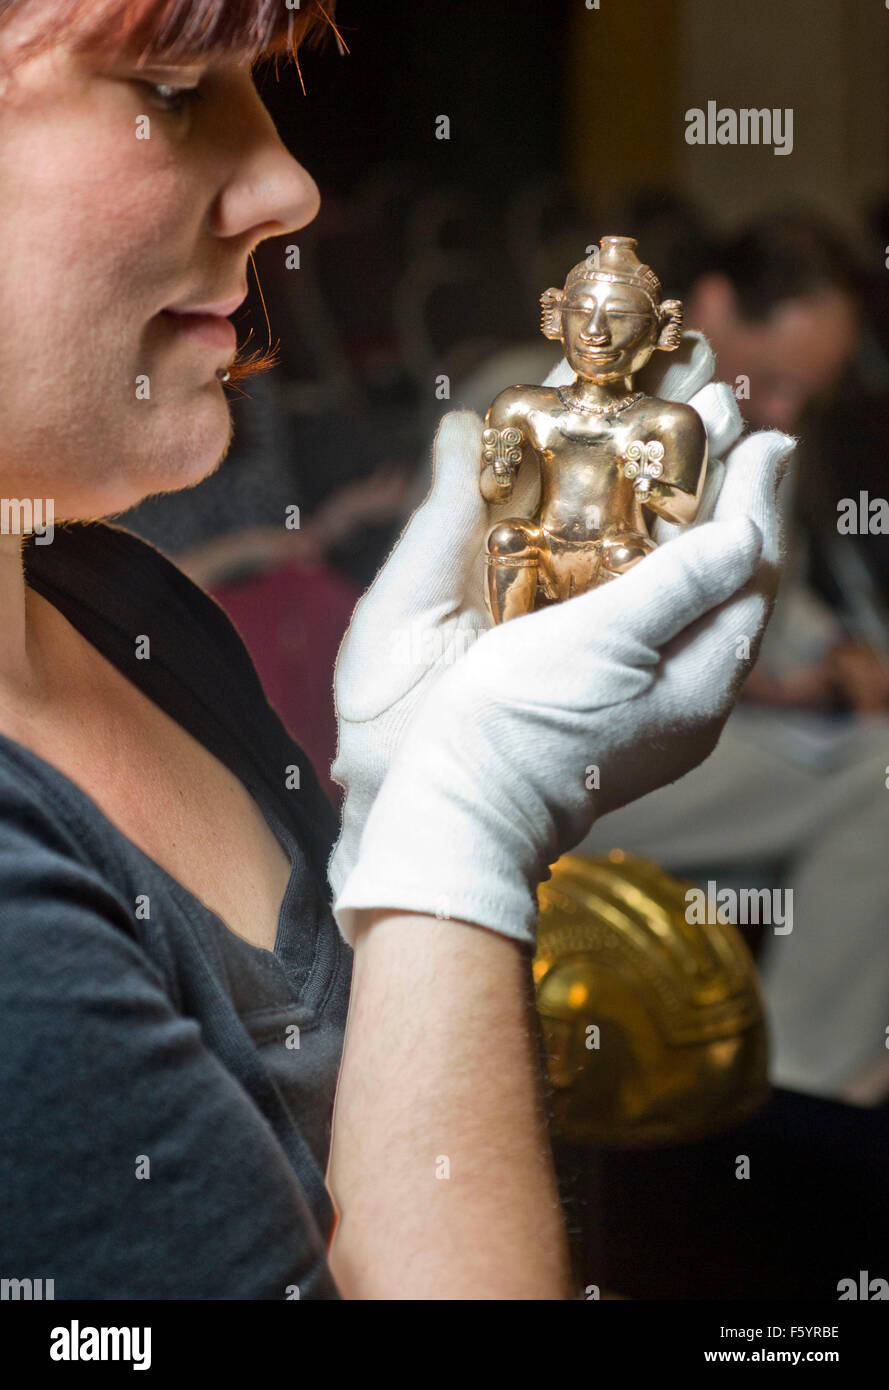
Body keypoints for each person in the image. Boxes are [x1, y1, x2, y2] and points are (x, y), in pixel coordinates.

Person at [0, 0, 791, 1300]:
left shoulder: (113, 601)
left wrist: (395, 810)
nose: (289, 186)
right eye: (174, 87)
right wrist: (462, 829)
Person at [574, 213, 889, 1105]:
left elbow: (771, 605)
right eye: (780, 380)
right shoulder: (597, 413)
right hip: (576, 761)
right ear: (712, 304)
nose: (785, 411)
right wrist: (774, 683)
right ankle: (802, 1096)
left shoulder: (739, 427)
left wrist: (832, 649)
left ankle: (817, 1076)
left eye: (807, 396)